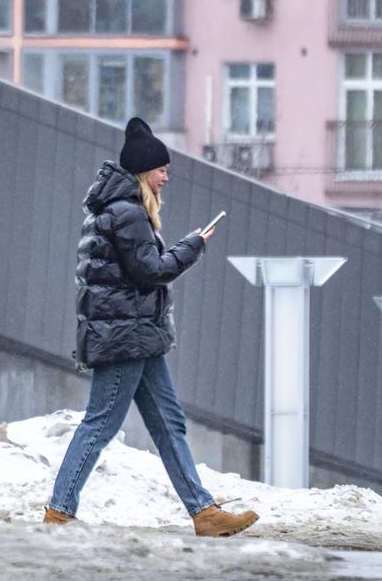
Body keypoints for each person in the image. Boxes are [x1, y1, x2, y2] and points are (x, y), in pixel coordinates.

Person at [43, 118, 259, 537]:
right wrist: (193, 246)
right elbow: (151, 270)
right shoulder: (127, 213)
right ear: (144, 171)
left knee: (169, 424)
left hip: (138, 336)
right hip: (126, 339)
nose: (166, 178)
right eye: (161, 170)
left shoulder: (121, 209)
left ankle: (204, 512)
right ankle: (59, 512)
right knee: (100, 424)